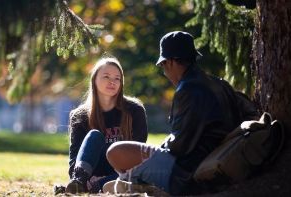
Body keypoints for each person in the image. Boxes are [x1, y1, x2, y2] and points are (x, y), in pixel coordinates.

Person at [105, 31, 258, 195]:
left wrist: (159, 148)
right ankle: (135, 182)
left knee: (116, 151)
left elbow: (179, 146)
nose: (164, 73)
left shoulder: (187, 89)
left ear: (170, 62)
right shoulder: (221, 84)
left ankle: (135, 183)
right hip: (221, 161)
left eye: (163, 66)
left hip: (188, 174)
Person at [61, 57, 148, 194]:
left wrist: (103, 180)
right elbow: (74, 160)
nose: (112, 82)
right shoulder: (79, 115)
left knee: (139, 172)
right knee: (94, 135)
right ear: (94, 80)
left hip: (122, 172)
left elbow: (138, 154)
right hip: (89, 171)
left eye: (117, 78)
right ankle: (80, 182)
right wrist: (78, 176)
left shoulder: (135, 110)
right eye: (106, 76)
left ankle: (97, 185)